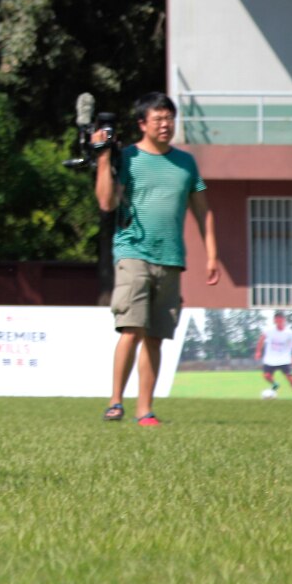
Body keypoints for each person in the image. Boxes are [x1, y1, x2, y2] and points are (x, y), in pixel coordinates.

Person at [95, 92, 217, 427]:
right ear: (142, 124)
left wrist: (211, 254)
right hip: (133, 252)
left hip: (171, 258)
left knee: (156, 336)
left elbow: (203, 211)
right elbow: (106, 203)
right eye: (158, 119)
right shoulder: (128, 157)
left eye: (169, 118)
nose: (165, 125)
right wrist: (104, 157)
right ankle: (115, 402)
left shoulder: (186, 163)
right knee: (131, 328)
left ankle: (144, 410)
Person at [255, 313, 292, 398]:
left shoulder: (290, 332)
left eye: (281, 319)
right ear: (274, 320)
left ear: (284, 320)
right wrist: (258, 351)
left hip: (284, 359)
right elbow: (261, 340)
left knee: (290, 377)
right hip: (270, 359)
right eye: (277, 319)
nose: (279, 321)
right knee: (266, 376)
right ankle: (275, 384)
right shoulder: (268, 330)